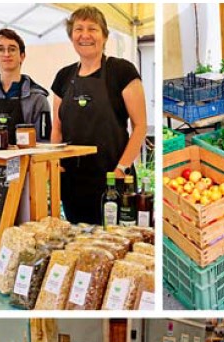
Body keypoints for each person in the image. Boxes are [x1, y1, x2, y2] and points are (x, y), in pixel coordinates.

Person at [51, 5, 147, 224]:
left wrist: (121, 169)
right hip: (73, 182)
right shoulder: (63, 77)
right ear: (71, 36)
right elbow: (57, 127)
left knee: (117, 243)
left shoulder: (122, 71)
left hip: (112, 179)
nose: (85, 35)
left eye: (92, 29)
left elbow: (140, 126)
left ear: (104, 36)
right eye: (78, 29)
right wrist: (57, 163)